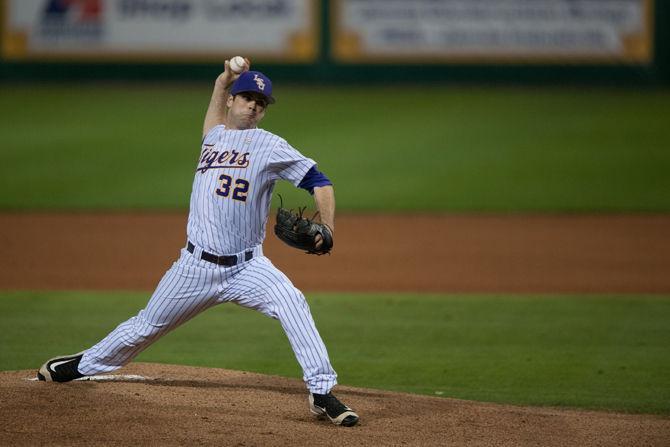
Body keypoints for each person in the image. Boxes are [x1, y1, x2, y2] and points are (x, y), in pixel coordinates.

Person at [36, 59, 359, 427]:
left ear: (264, 112)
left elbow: (320, 180)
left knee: (292, 302)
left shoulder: (270, 146)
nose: (253, 104)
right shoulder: (214, 136)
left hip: (248, 267)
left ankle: (321, 392)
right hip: (194, 267)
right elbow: (213, 111)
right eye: (247, 97)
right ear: (232, 102)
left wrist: (328, 226)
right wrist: (222, 80)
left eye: (261, 102)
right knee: (146, 327)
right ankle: (81, 365)